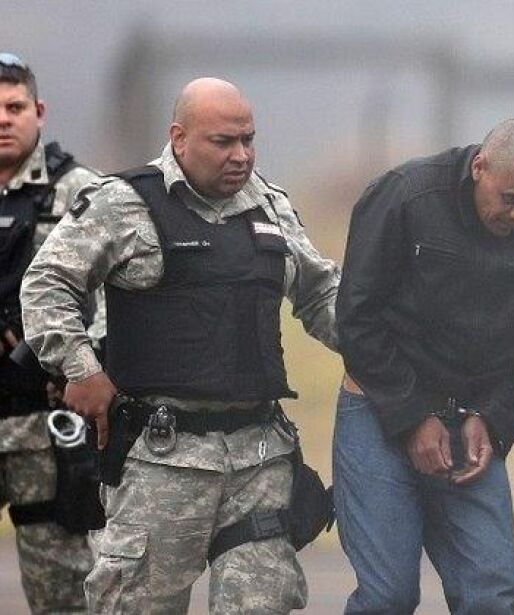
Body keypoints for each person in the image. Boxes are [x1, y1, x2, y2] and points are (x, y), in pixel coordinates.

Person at [20, 77, 340, 613]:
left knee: (263, 604)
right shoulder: (123, 203)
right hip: (161, 461)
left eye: (248, 140)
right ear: (180, 138)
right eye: (223, 142)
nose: (241, 155)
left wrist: (381, 354)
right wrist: (80, 367)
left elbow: (321, 292)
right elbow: (48, 282)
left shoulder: (270, 205)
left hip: (260, 458)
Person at [335, 118, 514, 614]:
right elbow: (356, 318)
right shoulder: (404, 196)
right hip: (379, 408)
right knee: (387, 596)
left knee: (490, 594)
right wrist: (413, 415)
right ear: (480, 167)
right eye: (511, 199)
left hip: (472, 417)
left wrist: (494, 417)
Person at [0, 51, 101, 613]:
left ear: (39, 111)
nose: (3, 120)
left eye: (15, 107)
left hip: (48, 423)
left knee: (64, 593)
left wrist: (77, 361)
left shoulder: (81, 192)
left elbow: (116, 293)